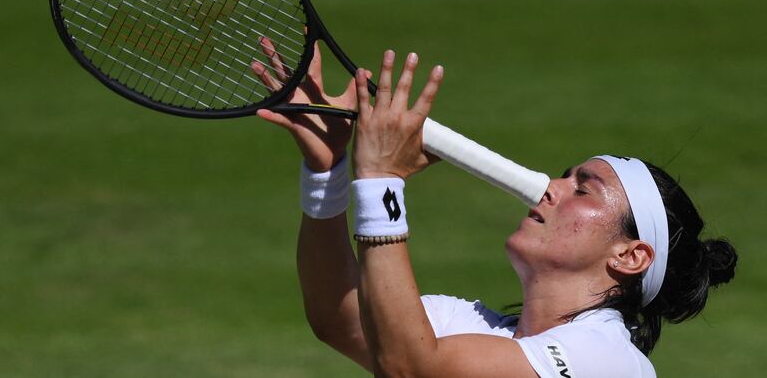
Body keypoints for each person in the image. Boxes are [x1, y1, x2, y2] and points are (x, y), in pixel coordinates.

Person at [255, 45, 737, 377]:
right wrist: (328, 173)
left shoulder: (610, 361)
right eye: (565, 175)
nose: (552, 187)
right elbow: (341, 320)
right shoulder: (475, 329)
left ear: (630, 256)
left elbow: (412, 369)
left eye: (583, 190)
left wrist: (382, 183)